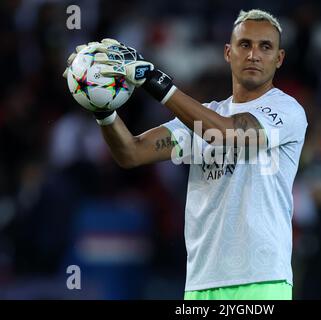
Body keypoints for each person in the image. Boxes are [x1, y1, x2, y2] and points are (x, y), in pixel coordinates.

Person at [63, 9, 308, 300]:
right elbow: (131, 152)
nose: (254, 54)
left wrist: (155, 81)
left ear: (279, 58)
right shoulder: (204, 116)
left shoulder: (287, 109)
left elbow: (230, 134)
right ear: (228, 53)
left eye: (265, 46)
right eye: (245, 44)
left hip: (260, 281)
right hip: (200, 283)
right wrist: (103, 108)